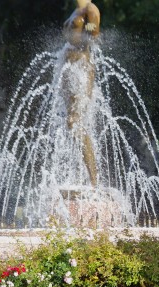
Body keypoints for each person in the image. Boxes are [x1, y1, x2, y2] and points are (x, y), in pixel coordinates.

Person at [63, 0, 100, 186]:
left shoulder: (90, 10)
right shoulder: (75, 10)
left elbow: (93, 34)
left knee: (76, 123)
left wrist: (90, 28)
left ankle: (94, 181)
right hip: (69, 69)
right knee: (71, 124)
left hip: (82, 68)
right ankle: (82, 177)